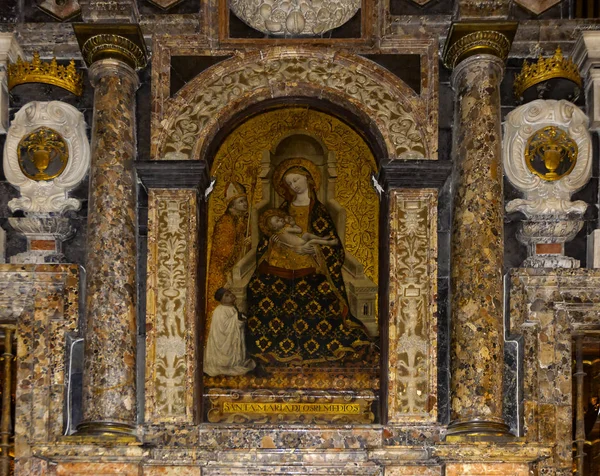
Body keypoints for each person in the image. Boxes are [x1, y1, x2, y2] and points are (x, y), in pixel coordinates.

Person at [245, 157, 372, 365]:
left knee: (319, 290)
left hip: (311, 264)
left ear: (308, 178)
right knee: (258, 286)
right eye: (289, 184)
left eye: (296, 180)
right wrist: (279, 244)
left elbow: (334, 245)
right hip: (282, 261)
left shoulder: (319, 211)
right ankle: (270, 346)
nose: (293, 186)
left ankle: (315, 348)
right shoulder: (283, 211)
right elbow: (271, 236)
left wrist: (309, 249)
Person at [206, 182, 250, 321]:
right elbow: (224, 251)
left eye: (245, 201)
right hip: (221, 269)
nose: (245, 204)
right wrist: (242, 243)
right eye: (241, 201)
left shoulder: (240, 220)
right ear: (232, 205)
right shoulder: (226, 222)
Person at [259, 208, 338, 270]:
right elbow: (299, 230)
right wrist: (293, 224)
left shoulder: (278, 235)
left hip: (299, 245)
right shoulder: (285, 229)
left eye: (279, 218)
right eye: (278, 221)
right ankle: (328, 242)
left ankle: (322, 238)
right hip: (301, 246)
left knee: (306, 235)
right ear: (275, 227)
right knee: (311, 239)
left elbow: (284, 245)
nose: (281, 219)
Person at [204, 287, 256, 377]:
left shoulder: (232, 308)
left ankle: (235, 362)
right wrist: (237, 318)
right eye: (226, 295)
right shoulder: (219, 310)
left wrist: (239, 319)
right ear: (221, 299)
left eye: (230, 293)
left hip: (232, 338)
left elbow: (236, 323)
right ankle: (225, 364)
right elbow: (222, 329)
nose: (231, 295)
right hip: (222, 342)